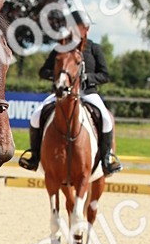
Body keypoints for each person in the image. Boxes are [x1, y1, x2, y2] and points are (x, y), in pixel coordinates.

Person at [18, 11, 122, 175]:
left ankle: (107, 158)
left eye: (87, 27)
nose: (86, 30)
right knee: (36, 115)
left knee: (106, 118)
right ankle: (34, 156)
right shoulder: (60, 48)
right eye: (82, 27)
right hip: (62, 93)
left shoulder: (94, 48)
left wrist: (87, 77)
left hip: (87, 93)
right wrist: (61, 77)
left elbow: (105, 75)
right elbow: (43, 71)